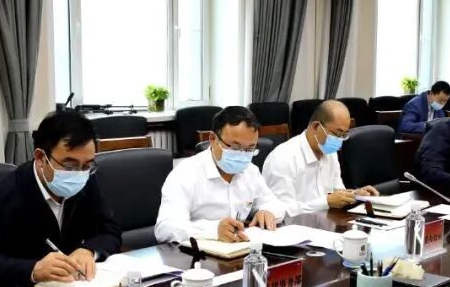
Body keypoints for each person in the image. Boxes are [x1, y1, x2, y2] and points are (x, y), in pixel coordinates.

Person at [0, 111, 121, 287]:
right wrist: (33, 270)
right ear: (41, 158)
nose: (79, 174)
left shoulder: (86, 179)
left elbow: (110, 231)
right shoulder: (2, 194)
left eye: (87, 165)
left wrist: (88, 250)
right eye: (69, 166)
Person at [155, 106, 285, 243]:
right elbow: (165, 229)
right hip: (197, 252)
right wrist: (214, 230)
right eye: (235, 147)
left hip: (240, 249)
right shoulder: (185, 173)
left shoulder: (250, 171)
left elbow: (275, 205)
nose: (242, 155)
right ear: (213, 139)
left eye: (250, 149)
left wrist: (267, 212)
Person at [262, 100, 379, 216]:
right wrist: (325, 202)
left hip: (328, 223)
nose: (339, 141)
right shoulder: (283, 158)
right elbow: (279, 211)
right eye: (336, 134)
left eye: (344, 135)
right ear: (315, 126)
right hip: (294, 227)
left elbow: (337, 191)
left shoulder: (330, 152)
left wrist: (355, 195)